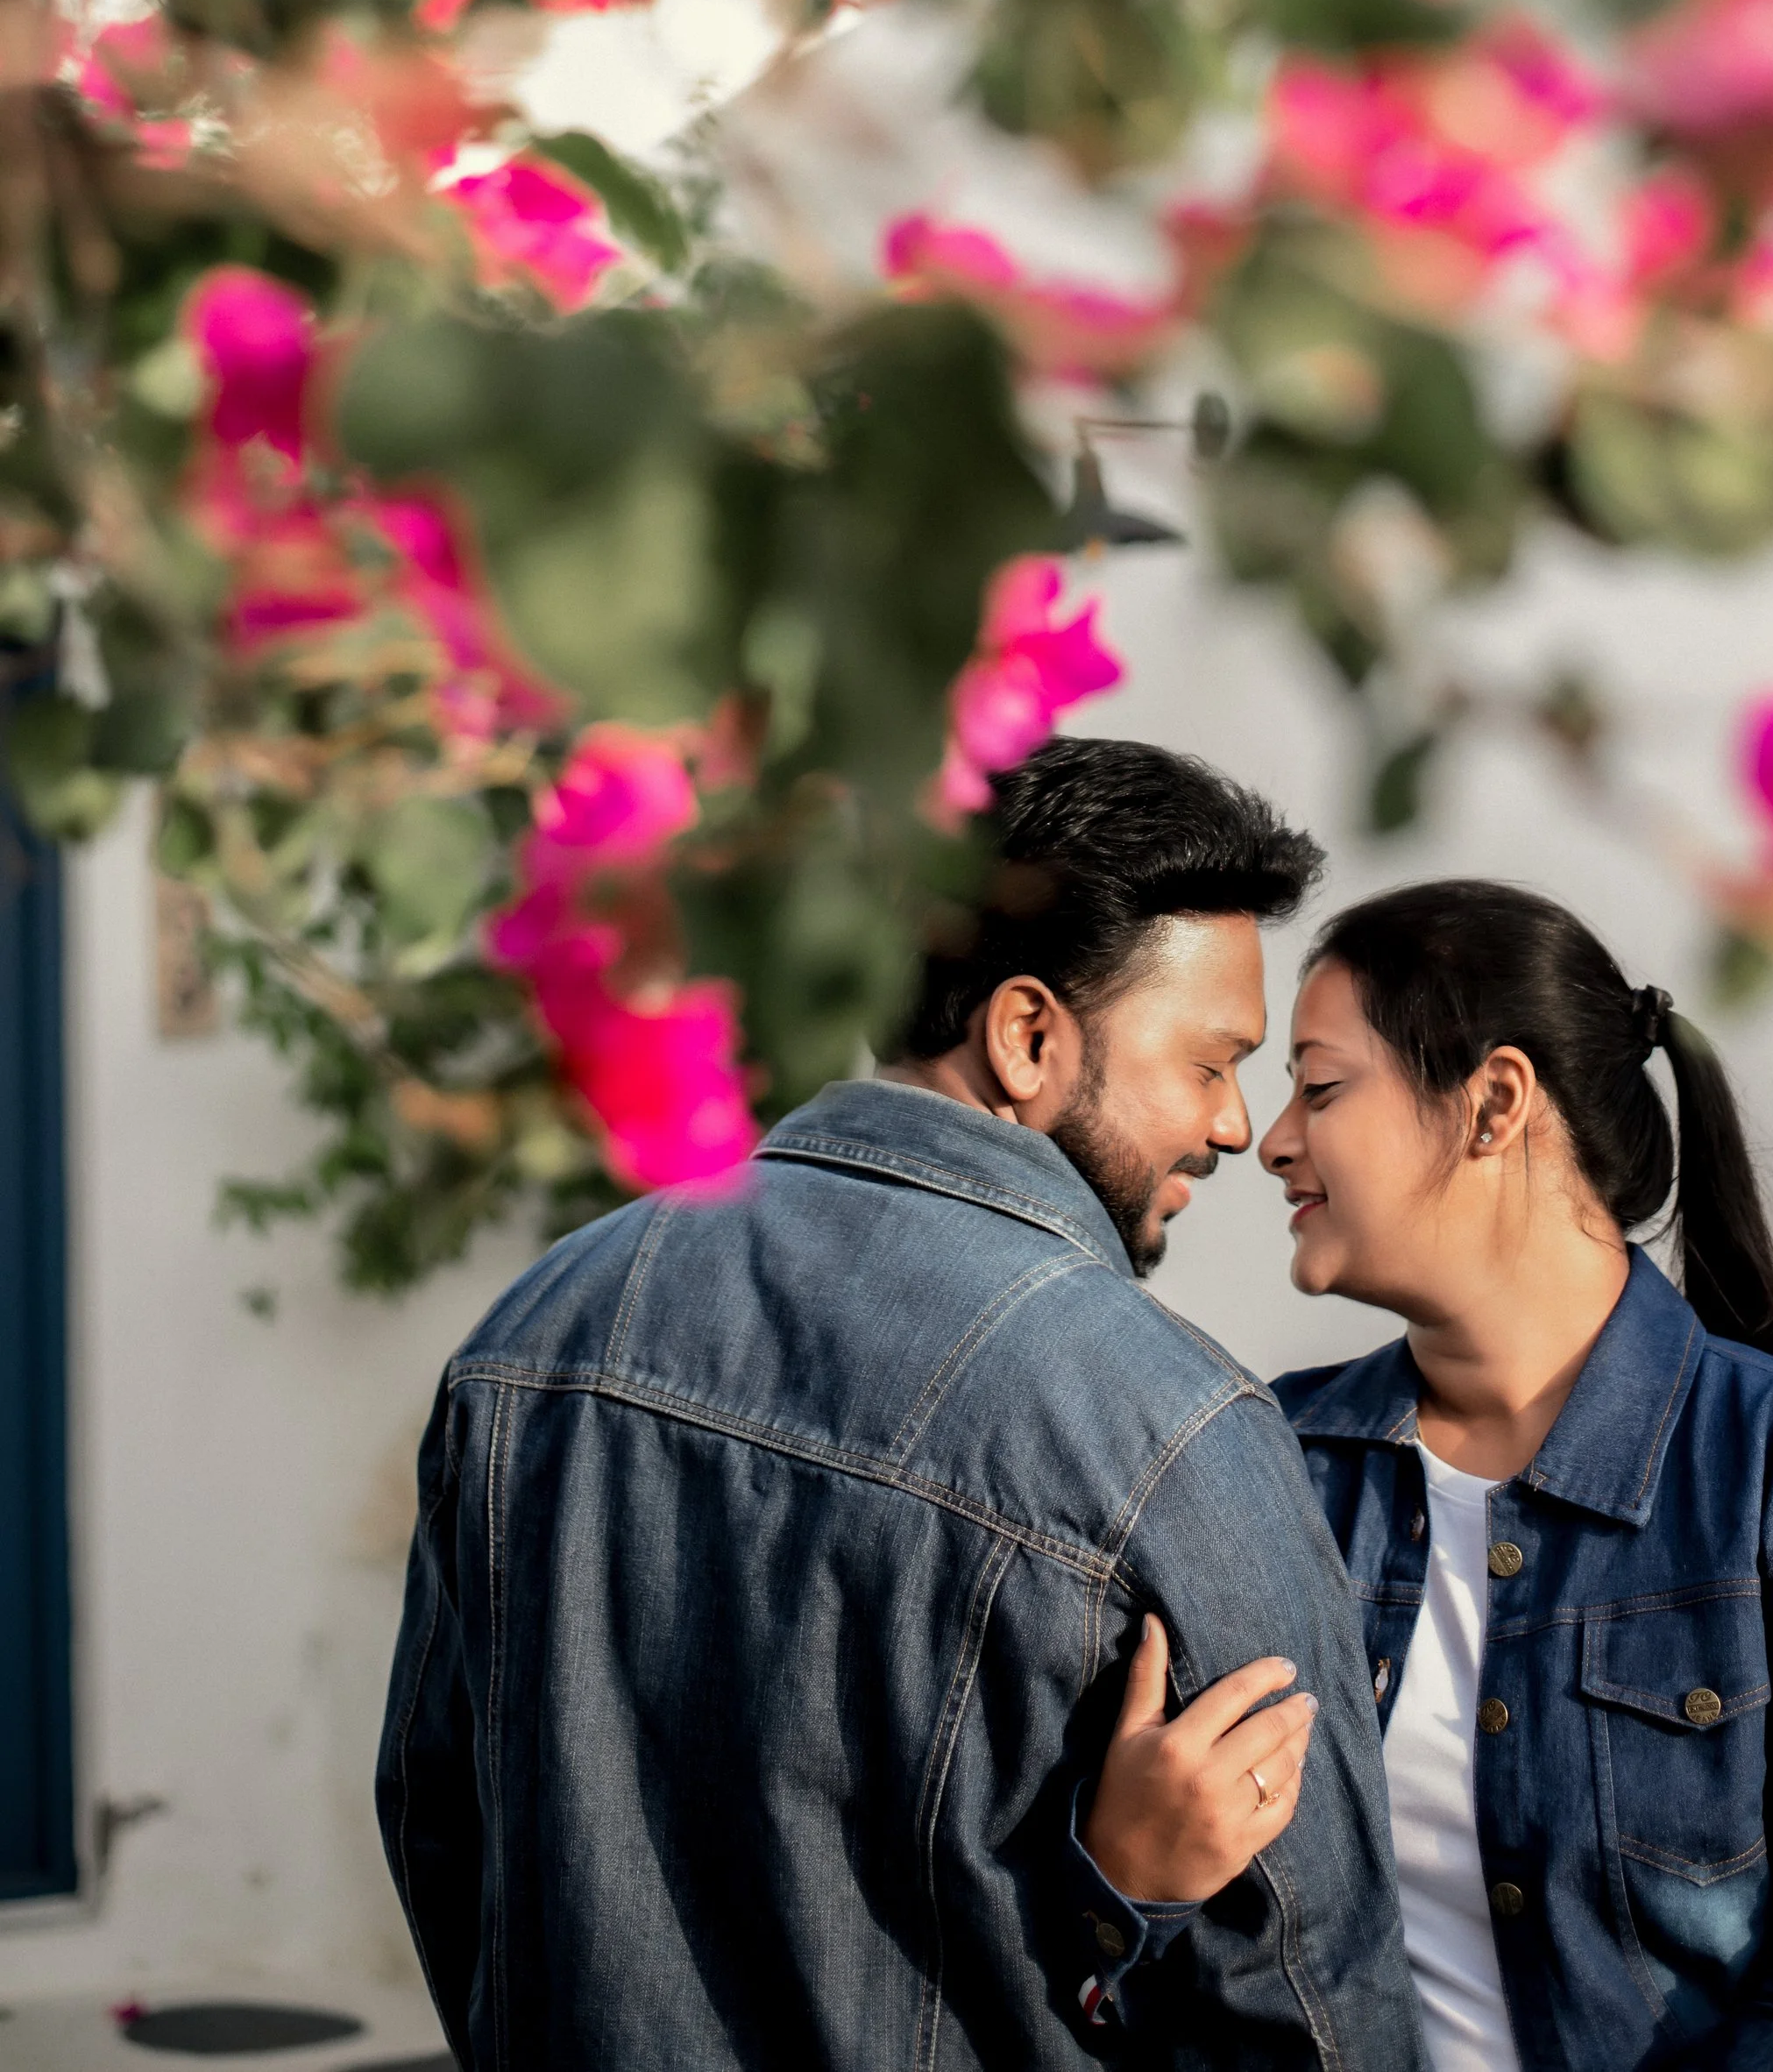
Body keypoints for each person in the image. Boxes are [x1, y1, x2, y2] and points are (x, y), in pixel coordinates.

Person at [376, 737, 1429, 2071]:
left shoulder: (534, 1333)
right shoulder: (1169, 1433)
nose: (1234, 1125)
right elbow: (1306, 2002)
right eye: (1213, 1061)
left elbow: (440, 1821)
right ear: (1029, 1034)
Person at [1084, 878, 1773, 2070]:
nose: (1273, 1138)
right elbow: (1167, 1955)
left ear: (1494, 1102)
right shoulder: (1265, 1469)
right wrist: (1122, 1874)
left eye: (1320, 1084)